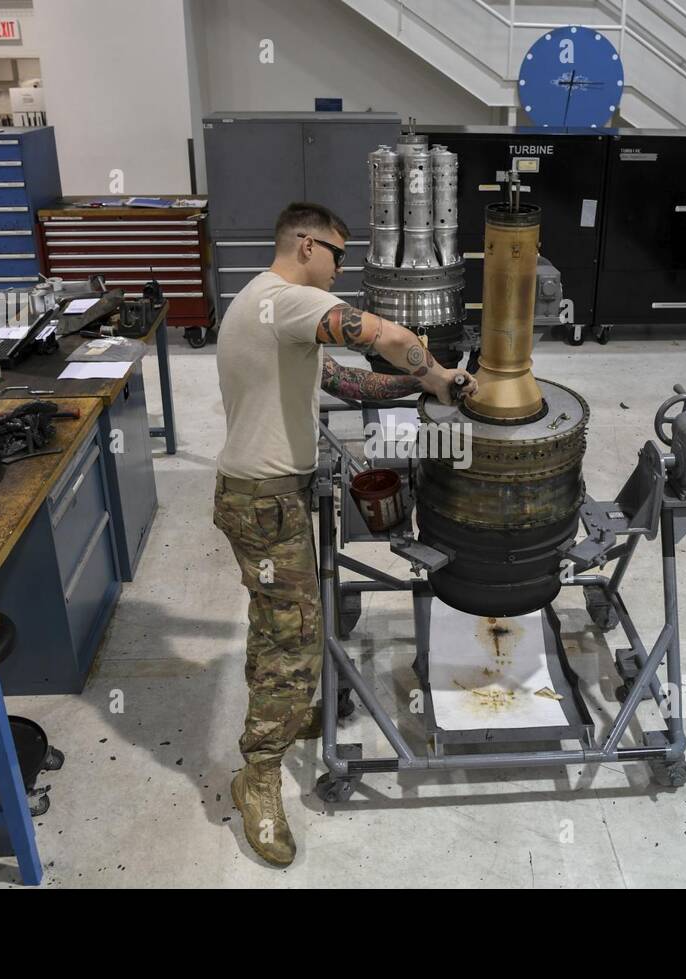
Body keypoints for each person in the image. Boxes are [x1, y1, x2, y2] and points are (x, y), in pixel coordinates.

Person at [214, 201, 476, 866]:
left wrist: (417, 389)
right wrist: (437, 373)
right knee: (295, 642)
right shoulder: (287, 300)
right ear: (306, 245)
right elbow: (381, 334)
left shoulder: (260, 307)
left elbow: (345, 379)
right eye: (336, 255)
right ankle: (258, 777)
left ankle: (283, 713)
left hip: (262, 499)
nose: (340, 270)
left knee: (274, 624)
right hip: (266, 504)